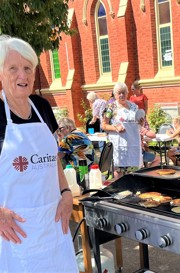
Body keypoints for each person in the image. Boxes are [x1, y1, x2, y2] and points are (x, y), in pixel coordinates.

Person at [0, 35, 77, 271]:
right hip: (14, 231)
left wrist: (65, 192)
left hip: (54, 225)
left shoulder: (42, 107)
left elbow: (53, 158)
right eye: (13, 68)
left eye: (28, 68)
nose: (22, 75)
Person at [102, 82, 143, 178]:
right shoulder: (110, 108)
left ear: (127, 93)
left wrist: (141, 122)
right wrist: (115, 128)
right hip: (118, 145)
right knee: (119, 169)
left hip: (133, 144)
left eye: (124, 92)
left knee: (133, 170)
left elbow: (138, 124)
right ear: (115, 94)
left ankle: (133, 191)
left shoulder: (134, 107)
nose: (122, 95)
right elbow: (104, 125)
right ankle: (119, 191)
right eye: (119, 93)